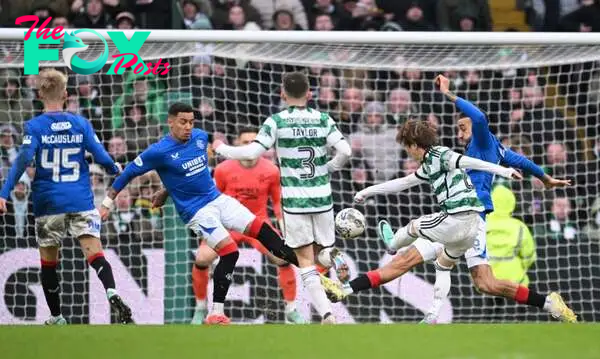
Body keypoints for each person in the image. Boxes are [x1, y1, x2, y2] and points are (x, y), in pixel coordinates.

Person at [100, 102, 300, 325]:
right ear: (171, 121)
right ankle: (214, 312)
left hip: (217, 199)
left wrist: (167, 190)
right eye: (183, 122)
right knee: (230, 252)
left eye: (191, 122)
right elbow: (127, 173)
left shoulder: (199, 136)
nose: (188, 127)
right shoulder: (159, 151)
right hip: (196, 212)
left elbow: (191, 170)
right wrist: (107, 204)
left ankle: (309, 271)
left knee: (262, 230)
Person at [322, 119, 523, 311]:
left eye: (407, 147)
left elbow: (471, 161)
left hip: (461, 221)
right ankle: (430, 315)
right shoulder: (429, 165)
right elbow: (403, 183)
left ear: (414, 145)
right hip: (456, 227)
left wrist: (504, 171)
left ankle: (392, 245)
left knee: (416, 227)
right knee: (433, 266)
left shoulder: (441, 155)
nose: (407, 153)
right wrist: (367, 191)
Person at [214, 72, 352, 324]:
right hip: (323, 198)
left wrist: (222, 148)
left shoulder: (276, 121)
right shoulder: (323, 119)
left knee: (304, 261)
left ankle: (328, 314)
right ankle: (332, 256)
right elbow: (346, 150)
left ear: (282, 94)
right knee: (320, 252)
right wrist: (329, 167)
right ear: (310, 94)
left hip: (296, 202)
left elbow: (254, 150)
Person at [0, 69, 132, 324]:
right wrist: (116, 168)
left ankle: (57, 316)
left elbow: (22, 162)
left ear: (40, 95)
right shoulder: (81, 123)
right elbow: (102, 157)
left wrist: (3, 193)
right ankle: (111, 290)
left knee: (49, 262)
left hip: (49, 203)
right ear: (67, 94)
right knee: (95, 253)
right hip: (81, 200)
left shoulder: (34, 127)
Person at [191, 127, 305, 324]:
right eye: (245, 142)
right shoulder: (223, 169)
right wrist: (207, 234)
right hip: (228, 225)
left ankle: (291, 309)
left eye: (254, 142)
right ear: (237, 144)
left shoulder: (271, 170)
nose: (249, 146)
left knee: (283, 258)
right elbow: (212, 201)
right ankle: (201, 307)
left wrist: (286, 230)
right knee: (202, 258)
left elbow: (278, 204)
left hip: (258, 222)